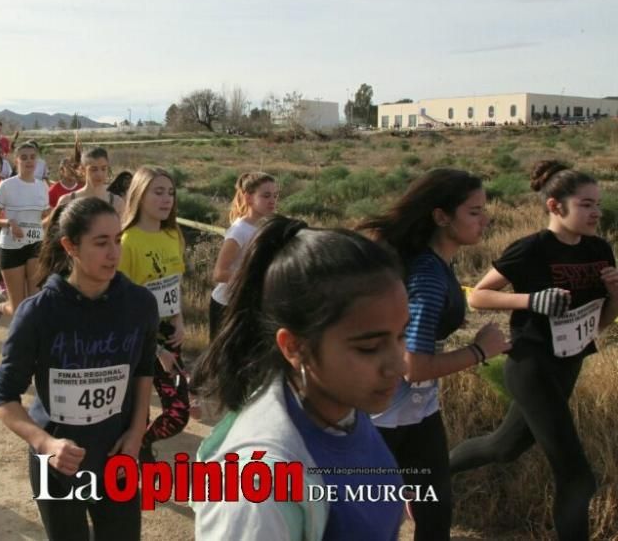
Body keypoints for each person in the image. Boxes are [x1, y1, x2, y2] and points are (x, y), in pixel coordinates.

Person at [191, 217, 408, 540]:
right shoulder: (259, 488)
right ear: (295, 347)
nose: (397, 365)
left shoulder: (339, 403)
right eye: (369, 347)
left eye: (401, 336)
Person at [449, 161, 618, 540]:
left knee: (503, 446)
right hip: (531, 365)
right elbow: (478, 296)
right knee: (577, 477)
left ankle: (432, 473)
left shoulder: (599, 249)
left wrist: (615, 296)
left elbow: (601, 323)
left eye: (598, 204)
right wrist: (531, 300)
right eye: (586, 204)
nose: (596, 212)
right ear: (555, 206)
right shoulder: (532, 250)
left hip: (569, 363)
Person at [0, 197, 158, 541]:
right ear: (71, 246)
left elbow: (143, 370)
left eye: (117, 240)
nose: (114, 253)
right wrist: (46, 444)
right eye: (101, 243)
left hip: (117, 458)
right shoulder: (39, 313)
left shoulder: (140, 303)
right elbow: (4, 398)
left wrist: (138, 428)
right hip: (59, 466)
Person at [358, 169, 509, 541]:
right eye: (474, 212)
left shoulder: (435, 262)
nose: (485, 219)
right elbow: (414, 366)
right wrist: (479, 351)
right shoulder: (427, 273)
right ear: (441, 217)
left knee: (435, 518)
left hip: (419, 414)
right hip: (381, 422)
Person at [117, 166, 189, 461]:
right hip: (138, 341)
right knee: (141, 411)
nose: (166, 199)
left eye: (170, 193)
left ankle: (141, 444)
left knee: (178, 412)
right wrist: (155, 348)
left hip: (170, 336)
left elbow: (174, 283)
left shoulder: (173, 235)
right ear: (139, 195)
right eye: (158, 192)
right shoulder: (127, 241)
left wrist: (179, 319)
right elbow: (122, 305)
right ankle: (139, 464)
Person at [0, 141, 51, 326]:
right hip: (11, 247)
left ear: (37, 160)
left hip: (35, 245)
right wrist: (9, 223)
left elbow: (45, 218)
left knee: (34, 301)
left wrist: (46, 221)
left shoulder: (42, 187)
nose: (29, 161)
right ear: (16, 160)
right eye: (24, 157)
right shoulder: (7, 185)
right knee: (18, 306)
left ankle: (30, 342)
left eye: (32, 157)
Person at [209, 172, 278, 341]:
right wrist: (254, 278)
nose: (272, 200)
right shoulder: (239, 230)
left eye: (275, 196)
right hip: (227, 306)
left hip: (252, 305)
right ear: (248, 198)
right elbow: (219, 273)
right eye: (266, 196)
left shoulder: (269, 226)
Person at [58, 146, 125, 216]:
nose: (100, 174)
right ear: (83, 170)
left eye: (103, 169)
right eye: (94, 169)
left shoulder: (117, 203)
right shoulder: (67, 201)